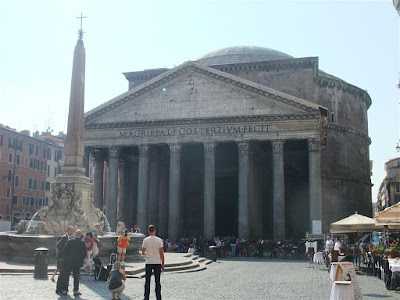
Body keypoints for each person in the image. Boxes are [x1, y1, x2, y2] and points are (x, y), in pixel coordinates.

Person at [57, 229, 87, 296]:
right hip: (77, 262)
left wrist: (66, 258)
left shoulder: (69, 241)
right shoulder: (82, 243)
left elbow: (64, 251)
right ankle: (75, 290)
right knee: (76, 276)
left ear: (75, 234)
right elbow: (85, 253)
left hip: (68, 261)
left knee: (66, 275)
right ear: (80, 235)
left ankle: (65, 289)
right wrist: (80, 259)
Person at [141, 224, 165, 300]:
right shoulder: (159, 240)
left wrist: (148, 254)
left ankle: (146, 297)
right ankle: (158, 297)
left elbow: (143, 252)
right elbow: (161, 253)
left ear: (148, 231)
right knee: (157, 281)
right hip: (157, 262)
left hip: (148, 262)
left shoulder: (145, 240)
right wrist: (163, 263)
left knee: (147, 281)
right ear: (155, 230)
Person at [55, 226, 75, 293]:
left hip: (68, 259)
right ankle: (59, 289)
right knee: (62, 274)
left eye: (73, 231)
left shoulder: (71, 238)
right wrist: (64, 252)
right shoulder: (64, 238)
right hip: (63, 259)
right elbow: (58, 245)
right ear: (68, 230)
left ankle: (65, 289)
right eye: (71, 230)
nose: (72, 232)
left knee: (67, 274)